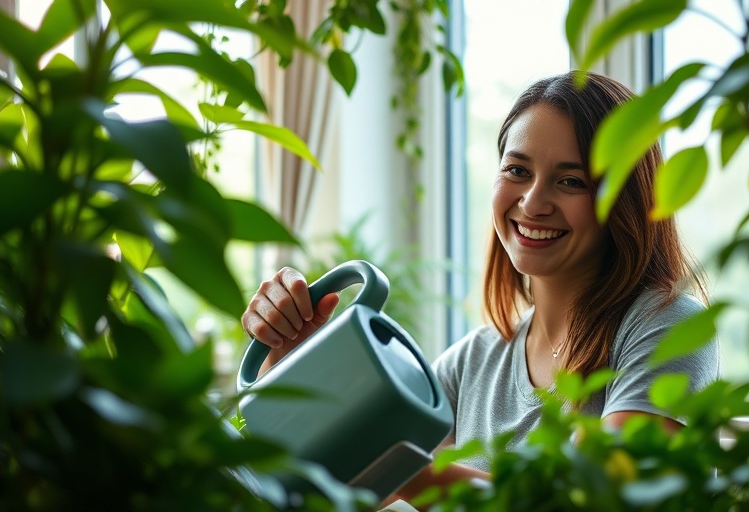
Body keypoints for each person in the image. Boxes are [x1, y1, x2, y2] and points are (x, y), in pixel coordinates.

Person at [241, 70, 720, 504]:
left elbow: (600, 502)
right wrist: (299, 362)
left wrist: (411, 475)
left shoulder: (670, 327)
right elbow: (334, 475)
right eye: (517, 171)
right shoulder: (476, 360)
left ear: (624, 201)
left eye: (571, 181)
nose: (533, 203)